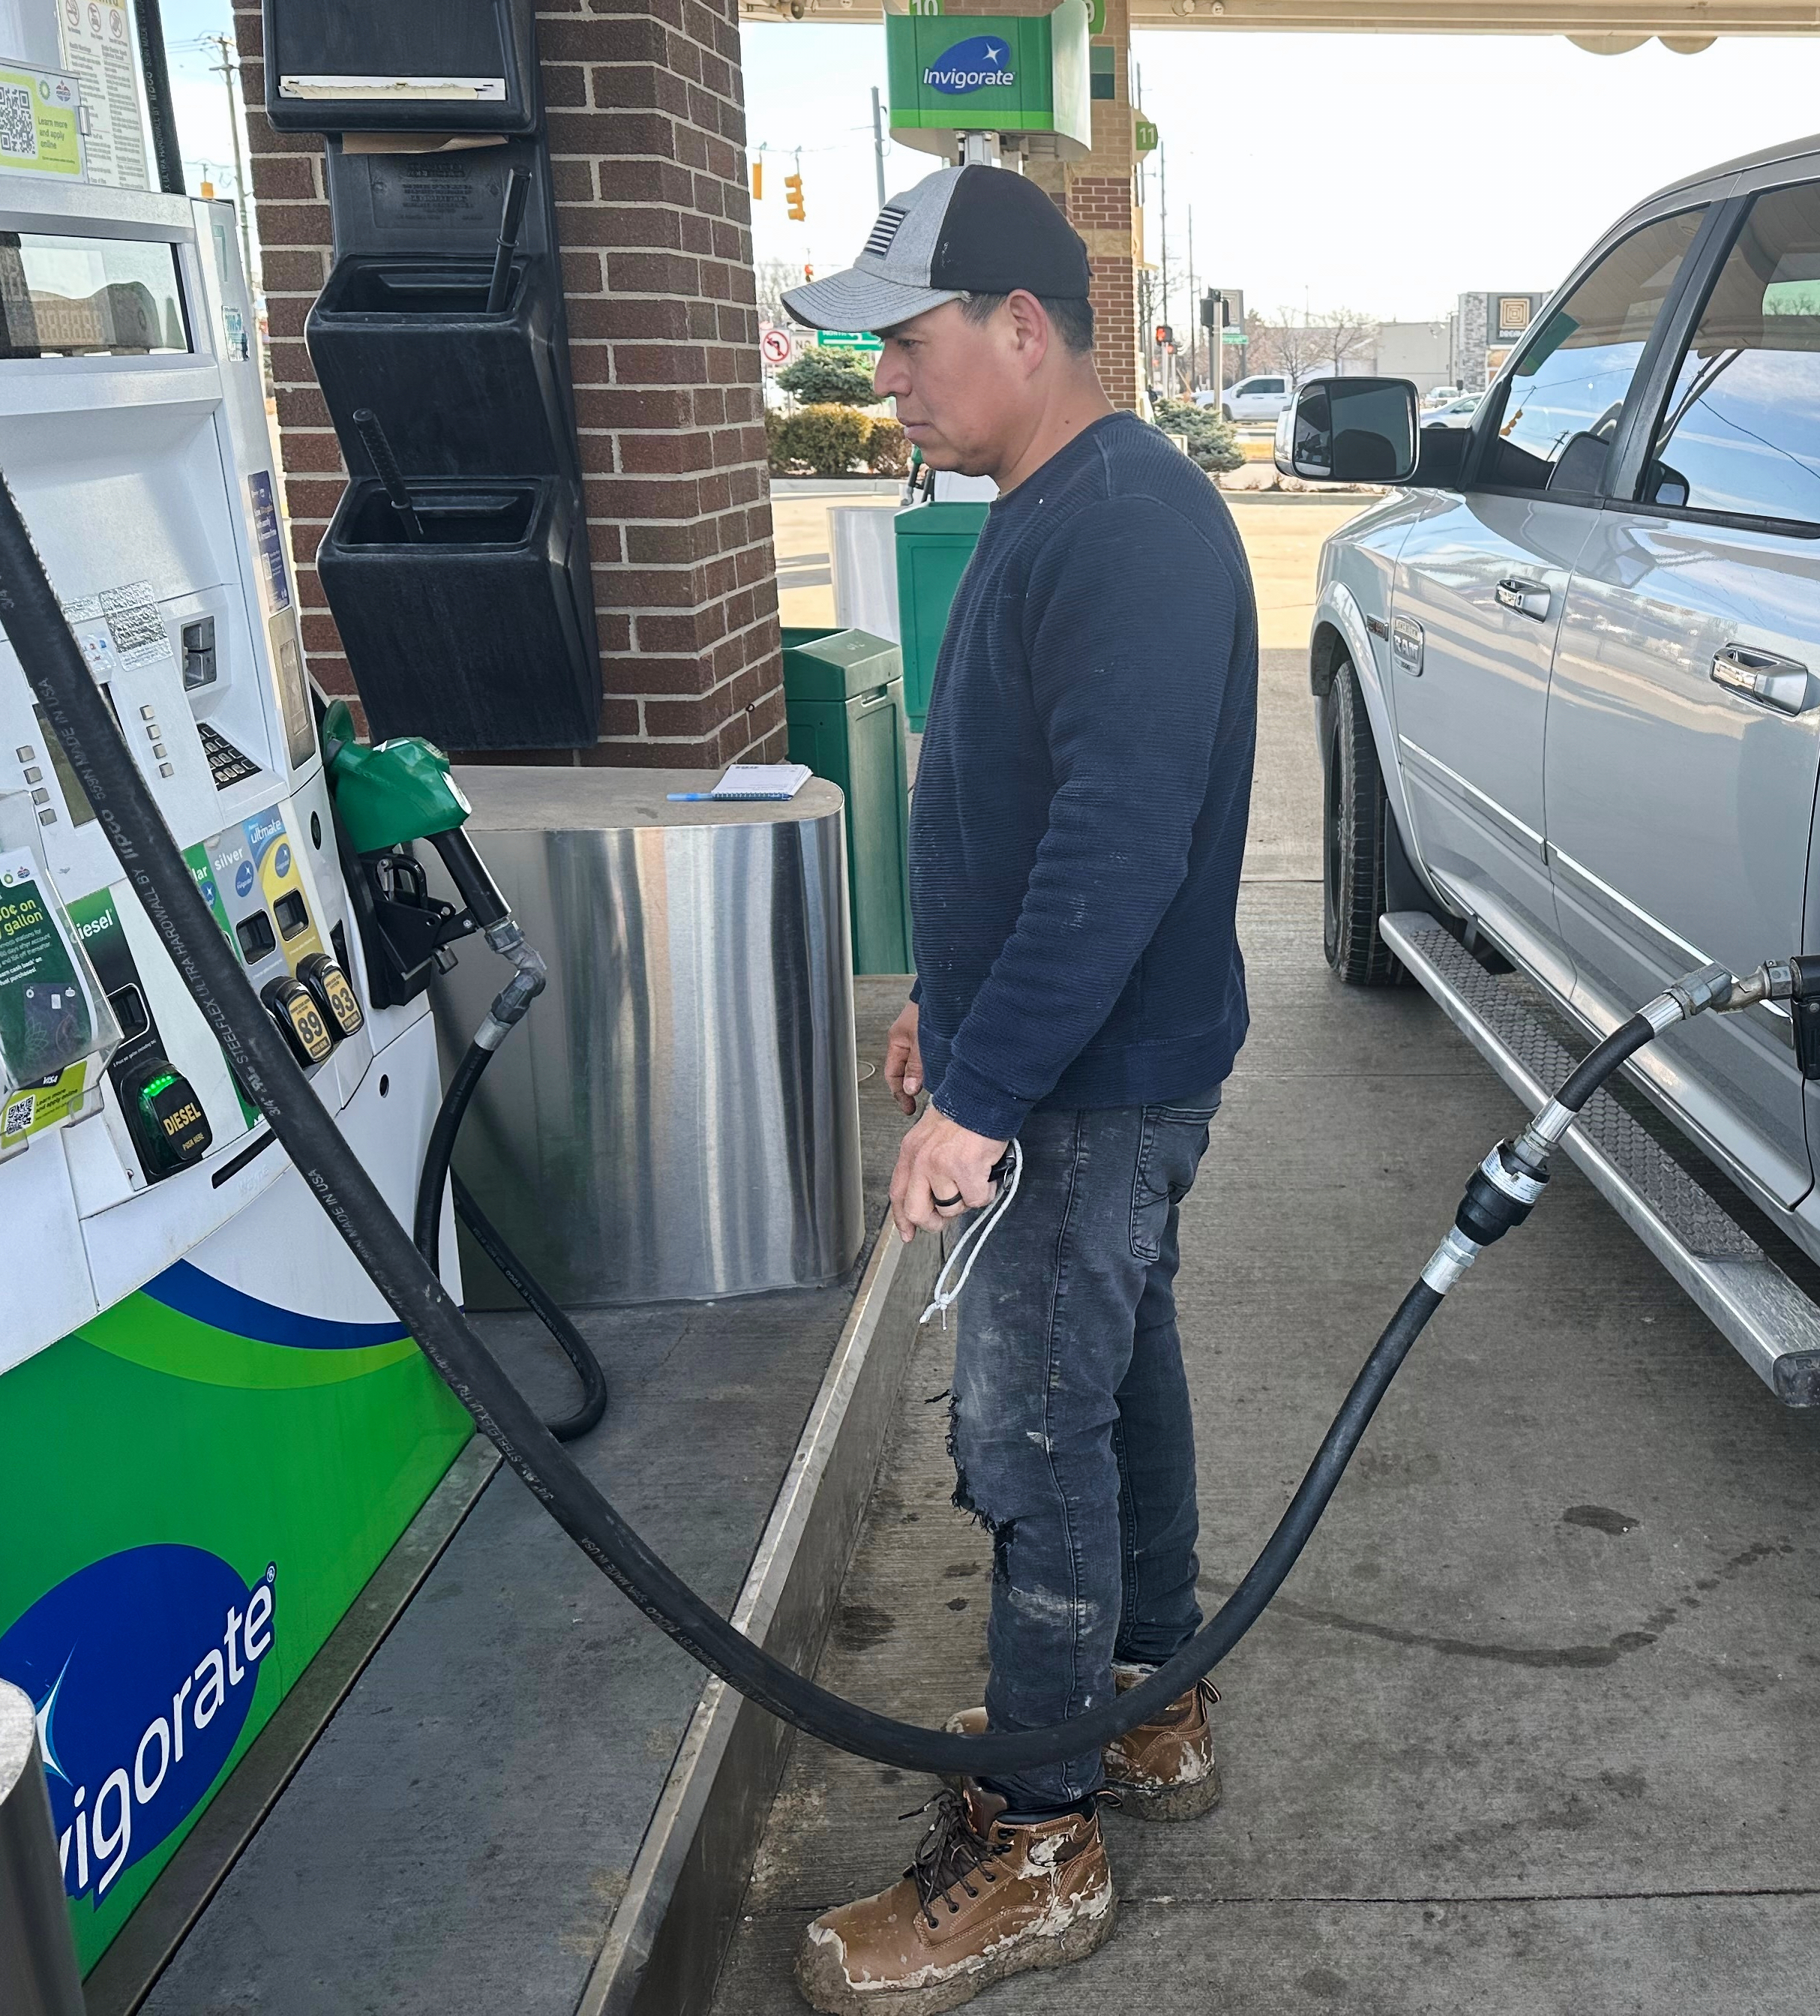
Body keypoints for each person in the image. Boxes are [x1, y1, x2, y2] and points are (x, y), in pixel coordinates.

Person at [777, 164, 1258, 2014]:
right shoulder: (1059, 504)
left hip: (1090, 1083)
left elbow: (1114, 852)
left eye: (903, 344)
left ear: (1021, 328)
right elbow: (1021, 809)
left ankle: (1041, 1833)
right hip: (1061, 1057)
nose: (883, 379)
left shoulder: (1124, 526)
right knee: (1115, 1372)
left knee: (1032, 1433)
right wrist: (943, 1017)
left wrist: (978, 1099)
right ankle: (1145, 1704)